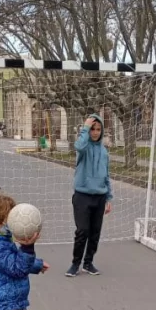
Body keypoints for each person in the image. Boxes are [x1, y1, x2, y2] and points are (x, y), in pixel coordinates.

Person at [66, 114, 112, 277]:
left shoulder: (104, 152)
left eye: (98, 129)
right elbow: (78, 146)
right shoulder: (83, 148)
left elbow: (107, 176)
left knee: (95, 232)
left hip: (99, 197)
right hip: (82, 196)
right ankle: (75, 264)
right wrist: (85, 127)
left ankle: (88, 262)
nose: (95, 132)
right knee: (82, 230)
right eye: (93, 129)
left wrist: (109, 197)